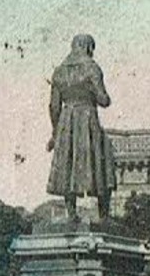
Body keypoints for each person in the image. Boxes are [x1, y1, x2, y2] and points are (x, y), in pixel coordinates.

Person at [47, 33, 115, 220]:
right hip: (87, 119)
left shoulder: (59, 71)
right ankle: (104, 216)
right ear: (88, 48)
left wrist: (55, 132)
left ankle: (72, 213)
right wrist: (97, 93)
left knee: (67, 163)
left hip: (66, 121)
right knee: (102, 162)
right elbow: (104, 100)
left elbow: (53, 106)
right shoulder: (92, 68)